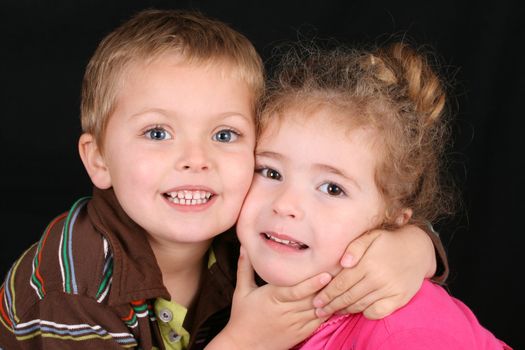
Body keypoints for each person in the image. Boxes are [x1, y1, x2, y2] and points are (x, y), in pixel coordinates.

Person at [0, 10, 442, 350]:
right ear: (99, 160)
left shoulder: (246, 220)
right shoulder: (75, 289)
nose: (197, 160)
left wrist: (414, 247)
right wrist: (242, 342)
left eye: (224, 135)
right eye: (158, 133)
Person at [231, 41, 512, 349]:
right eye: (271, 172)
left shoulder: (406, 332)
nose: (285, 205)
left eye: (332, 188)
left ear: (394, 219)